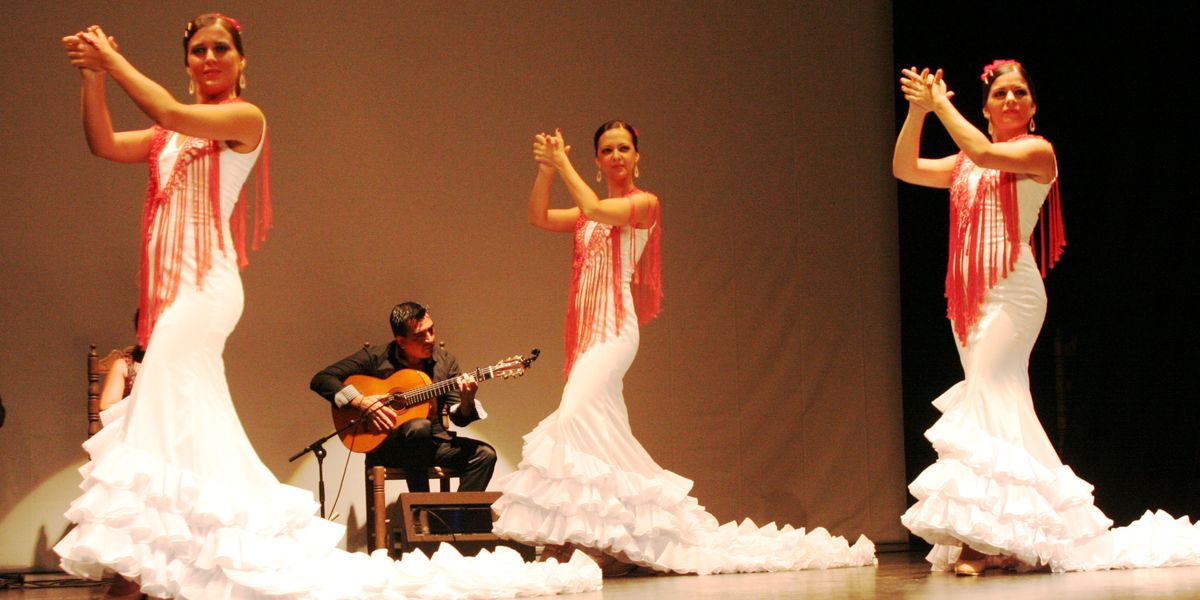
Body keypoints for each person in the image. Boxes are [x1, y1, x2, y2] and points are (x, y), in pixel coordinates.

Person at [54, 15, 598, 599]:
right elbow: (105, 143)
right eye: (197, 49)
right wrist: (91, 78)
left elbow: (167, 110)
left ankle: (141, 563)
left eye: (220, 49)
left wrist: (112, 61)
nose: (209, 57)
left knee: (163, 413)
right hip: (173, 297)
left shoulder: (243, 118)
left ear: (241, 62)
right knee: (180, 418)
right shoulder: (170, 139)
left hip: (204, 291)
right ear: (187, 63)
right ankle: (161, 556)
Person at [491, 121, 876, 576]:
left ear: (637, 157)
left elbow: (593, 205)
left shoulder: (642, 204)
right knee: (602, 433)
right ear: (597, 161)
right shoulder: (587, 214)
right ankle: (615, 536)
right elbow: (538, 217)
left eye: (624, 149)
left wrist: (562, 163)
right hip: (587, 330)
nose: (616, 156)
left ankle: (569, 537)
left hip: (614, 330)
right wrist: (545, 171)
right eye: (607, 150)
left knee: (573, 418)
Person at [892, 60, 1200, 575]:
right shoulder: (965, 164)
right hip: (969, 299)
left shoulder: (1038, 152)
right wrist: (918, 111)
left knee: (989, 394)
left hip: (1013, 293)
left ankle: (982, 540)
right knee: (999, 401)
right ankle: (1022, 533)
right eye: (1000, 94)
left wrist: (940, 103)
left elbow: (985, 150)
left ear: (1031, 108)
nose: (1010, 99)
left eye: (1020, 93)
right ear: (987, 108)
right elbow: (904, 167)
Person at [309, 302, 497, 492]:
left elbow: (459, 419)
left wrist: (467, 399)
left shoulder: (445, 362)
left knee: (484, 455)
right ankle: (420, 510)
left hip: (434, 444)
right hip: (389, 448)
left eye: (431, 330)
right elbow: (322, 379)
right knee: (418, 427)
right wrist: (362, 402)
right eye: (420, 335)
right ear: (401, 341)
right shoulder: (376, 358)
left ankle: (450, 517)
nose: (430, 339)